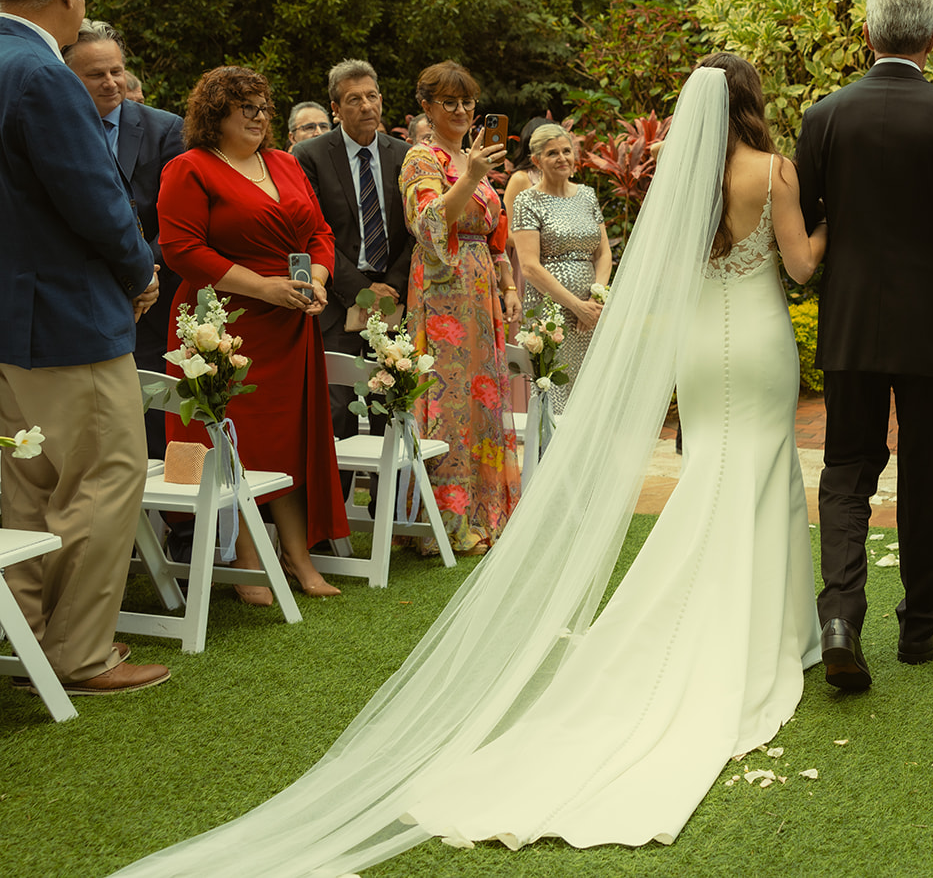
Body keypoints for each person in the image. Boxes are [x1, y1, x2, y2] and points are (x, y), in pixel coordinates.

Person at [109, 59, 832, 876]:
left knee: (714, 476)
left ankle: (740, 616)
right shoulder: (773, 169)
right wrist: (836, 221)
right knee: (762, 475)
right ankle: (771, 629)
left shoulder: (686, 177)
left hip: (701, 351)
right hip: (759, 342)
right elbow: (802, 265)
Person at [796, 0, 933, 692]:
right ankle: (920, 627)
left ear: (867, 36)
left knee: (847, 467)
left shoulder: (824, 118)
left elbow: (805, 225)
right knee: (924, 468)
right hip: (931, 331)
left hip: (850, 323)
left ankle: (839, 620)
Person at [0, 0, 167, 695]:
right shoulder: (42, 73)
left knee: (23, 486)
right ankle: (80, 652)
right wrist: (140, 270)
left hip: (11, 321)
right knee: (105, 475)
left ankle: (23, 642)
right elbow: (95, 202)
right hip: (67, 316)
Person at [159, 65, 348, 602]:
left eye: (265, 106)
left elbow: (319, 231)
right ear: (216, 113)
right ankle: (246, 558)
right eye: (248, 107)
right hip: (223, 327)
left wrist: (315, 279)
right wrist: (263, 289)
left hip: (291, 323)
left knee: (290, 440)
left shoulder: (285, 163)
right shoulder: (189, 168)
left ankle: (298, 556)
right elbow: (182, 249)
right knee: (234, 441)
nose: (261, 116)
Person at [401, 61, 520, 554]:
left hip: (482, 290)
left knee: (484, 399)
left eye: (467, 101)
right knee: (447, 402)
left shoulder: (478, 157)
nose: (461, 110)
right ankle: (444, 525)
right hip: (442, 287)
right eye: (448, 102)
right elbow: (428, 224)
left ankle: (487, 511)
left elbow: (495, 230)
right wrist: (469, 176)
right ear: (426, 107)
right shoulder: (421, 158)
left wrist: (508, 282)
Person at [61, 19, 186, 459]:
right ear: (67, 76)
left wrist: (141, 275)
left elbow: (177, 217)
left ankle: (178, 526)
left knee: (157, 421)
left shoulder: (167, 129)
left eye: (116, 70)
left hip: (152, 305)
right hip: (79, 301)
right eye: (96, 74)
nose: (112, 83)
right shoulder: (53, 131)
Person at [293, 59, 415, 445]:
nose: (366, 106)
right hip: (337, 300)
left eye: (372, 96)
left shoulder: (406, 155)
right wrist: (363, 290)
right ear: (335, 108)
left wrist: (391, 285)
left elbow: (417, 230)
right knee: (336, 413)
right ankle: (335, 504)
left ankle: (389, 503)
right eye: (353, 99)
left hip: (396, 301)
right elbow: (313, 231)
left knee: (391, 408)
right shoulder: (309, 155)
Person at [511, 123, 611, 414]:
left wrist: (596, 299)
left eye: (566, 151)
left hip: (592, 312)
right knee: (554, 386)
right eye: (552, 153)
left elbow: (603, 252)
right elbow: (529, 267)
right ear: (537, 161)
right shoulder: (527, 200)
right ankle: (549, 457)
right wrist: (575, 306)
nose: (562, 158)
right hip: (550, 309)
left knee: (591, 387)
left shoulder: (587, 195)